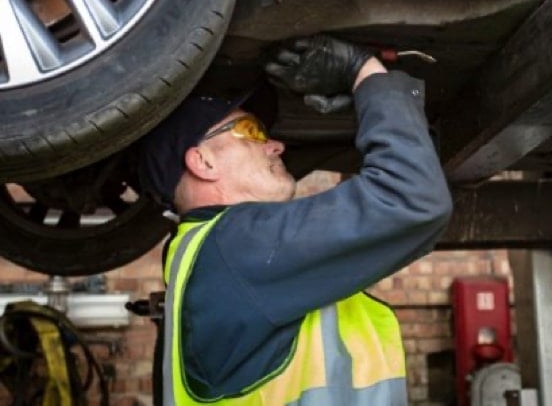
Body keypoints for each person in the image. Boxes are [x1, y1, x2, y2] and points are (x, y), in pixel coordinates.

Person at [138, 35, 452, 405]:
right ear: (203, 163)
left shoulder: (213, 256)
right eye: (251, 133)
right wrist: (364, 72)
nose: (275, 145)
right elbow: (409, 198)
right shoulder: (237, 248)